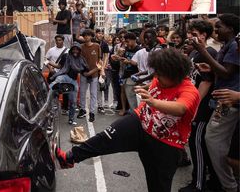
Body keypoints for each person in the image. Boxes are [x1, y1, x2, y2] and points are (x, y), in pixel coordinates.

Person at [55, 48, 200, 192]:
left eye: (161, 75)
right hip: (140, 122)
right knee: (105, 137)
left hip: (165, 144)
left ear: (175, 75)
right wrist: (144, 87)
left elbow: (181, 108)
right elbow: (154, 83)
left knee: (158, 185)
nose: (157, 77)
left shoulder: (189, 90)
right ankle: (69, 158)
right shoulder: (161, 77)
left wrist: (153, 101)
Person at [193, 14, 239, 192]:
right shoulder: (228, 45)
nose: (216, 30)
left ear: (231, 29)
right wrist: (211, 68)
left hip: (230, 102)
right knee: (217, 141)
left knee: (213, 139)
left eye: (220, 27)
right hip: (224, 101)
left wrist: (203, 52)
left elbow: (227, 73)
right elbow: (225, 71)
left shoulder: (234, 44)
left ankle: (229, 185)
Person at [179, 19, 220, 192]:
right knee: (196, 143)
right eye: (189, 33)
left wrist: (194, 105)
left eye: (194, 34)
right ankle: (206, 180)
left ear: (204, 35)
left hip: (203, 106)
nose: (189, 37)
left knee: (197, 144)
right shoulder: (195, 53)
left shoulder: (208, 52)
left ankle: (199, 184)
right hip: (194, 102)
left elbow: (207, 82)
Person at [49, 42, 89, 125]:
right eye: (74, 49)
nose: (75, 51)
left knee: (73, 102)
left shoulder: (81, 59)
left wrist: (98, 69)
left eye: (77, 49)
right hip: (64, 76)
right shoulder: (66, 56)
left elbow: (85, 70)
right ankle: (46, 95)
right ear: (71, 49)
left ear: (79, 50)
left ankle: (71, 119)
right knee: (52, 86)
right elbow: (59, 66)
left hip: (73, 81)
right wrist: (48, 62)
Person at [77, 30, 102, 122]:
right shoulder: (81, 47)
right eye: (85, 36)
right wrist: (83, 72)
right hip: (84, 73)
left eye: (88, 35)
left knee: (93, 94)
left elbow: (100, 62)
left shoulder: (97, 46)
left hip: (94, 74)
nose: (86, 37)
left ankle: (92, 112)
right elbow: (79, 61)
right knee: (82, 92)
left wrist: (92, 71)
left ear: (91, 36)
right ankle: (82, 109)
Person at [120, 32, 141, 110]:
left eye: (128, 41)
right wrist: (119, 58)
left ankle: (135, 114)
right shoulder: (126, 49)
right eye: (126, 41)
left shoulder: (139, 50)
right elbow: (124, 59)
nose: (127, 43)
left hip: (135, 76)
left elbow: (139, 63)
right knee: (129, 96)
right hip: (126, 74)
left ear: (134, 40)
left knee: (133, 98)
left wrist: (128, 61)